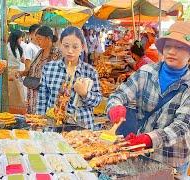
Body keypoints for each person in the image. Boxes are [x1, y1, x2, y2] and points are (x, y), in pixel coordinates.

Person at [106, 21, 190, 177]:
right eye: (168, 46)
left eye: (179, 47)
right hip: (142, 154)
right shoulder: (146, 72)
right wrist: (115, 108)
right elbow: (118, 95)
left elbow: (181, 125)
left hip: (172, 159)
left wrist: (148, 139)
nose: (171, 51)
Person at [37, 26, 102, 128]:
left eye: (75, 47)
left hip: (82, 126)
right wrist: (40, 124)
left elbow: (97, 101)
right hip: (54, 127)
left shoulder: (90, 71)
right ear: (60, 45)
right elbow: (42, 99)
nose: (70, 51)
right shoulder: (49, 68)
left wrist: (84, 93)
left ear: (82, 47)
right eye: (66, 46)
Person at [18, 26, 62, 114]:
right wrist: (22, 73)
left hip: (46, 95)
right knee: (33, 120)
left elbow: (59, 76)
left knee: (45, 119)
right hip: (33, 92)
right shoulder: (39, 52)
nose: (37, 41)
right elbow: (32, 70)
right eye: (36, 39)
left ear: (48, 39)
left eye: (39, 39)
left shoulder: (57, 54)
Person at [7, 30, 26, 113]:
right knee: (11, 94)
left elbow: (23, 60)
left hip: (17, 73)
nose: (21, 39)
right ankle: (11, 113)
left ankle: (18, 113)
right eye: (20, 37)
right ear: (16, 38)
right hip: (9, 73)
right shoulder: (7, 47)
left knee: (19, 94)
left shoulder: (18, 48)